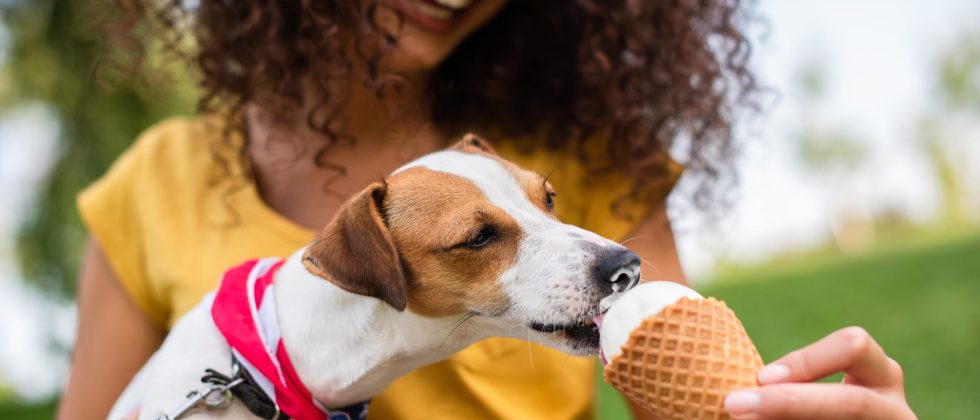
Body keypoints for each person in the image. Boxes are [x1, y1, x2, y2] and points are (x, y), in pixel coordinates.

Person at [58, 1, 916, 419]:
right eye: (479, 238)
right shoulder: (153, 183)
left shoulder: (584, 141)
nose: (608, 256)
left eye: (546, 205)